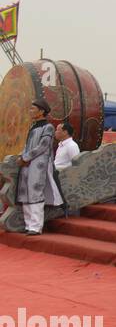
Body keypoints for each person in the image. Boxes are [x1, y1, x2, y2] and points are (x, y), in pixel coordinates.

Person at [16, 98, 61, 235]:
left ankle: (36, 227)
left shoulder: (48, 127)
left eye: (33, 109)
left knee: (35, 193)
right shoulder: (33, 126)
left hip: (38, 165)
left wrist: (26, 157)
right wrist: (21, 156)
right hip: (27, 163)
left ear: (41, 111)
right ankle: (28, 225)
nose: (30, 111)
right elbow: (27, 146)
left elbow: (43, 146)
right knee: (25, 193)